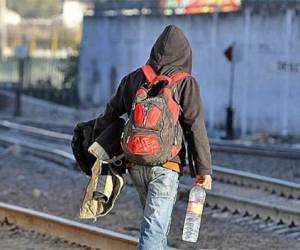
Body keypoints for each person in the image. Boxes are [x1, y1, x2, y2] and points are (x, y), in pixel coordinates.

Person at [91, 25, 212, 250]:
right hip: (166, 165)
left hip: (135, 163)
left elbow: (109, 114)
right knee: (154, 231)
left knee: (157, 229)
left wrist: (94, 139)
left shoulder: (135, 78)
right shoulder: (186, 83)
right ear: (186, 55)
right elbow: (195, 127)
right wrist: (203, 170)